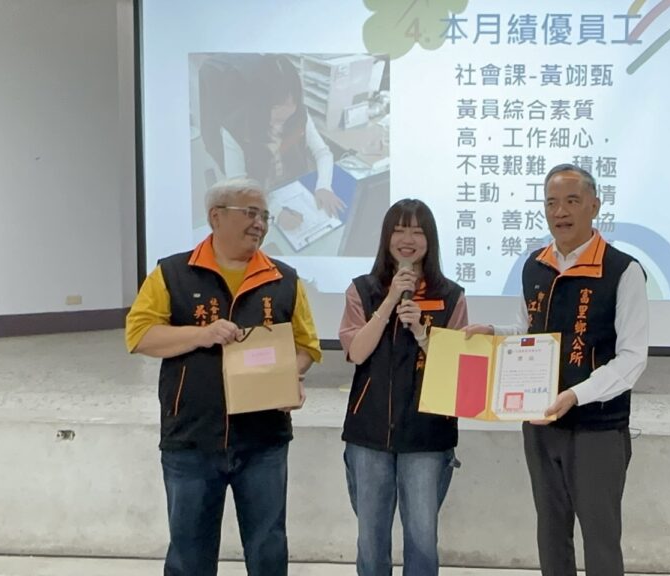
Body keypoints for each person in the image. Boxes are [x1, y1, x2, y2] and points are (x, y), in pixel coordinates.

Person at [125, 178, 322, 576]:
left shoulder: (284, 278)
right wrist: (201, 334)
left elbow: (306, 346)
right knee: (189, 554)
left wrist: (290, 377)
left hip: (263, 440)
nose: (260, 224)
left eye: (264, 216)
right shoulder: (172, 273)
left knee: (268, 549)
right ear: (216, 216)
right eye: (250, 213)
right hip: (191, 437)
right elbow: (140, 335)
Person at [464, 164, 649, 576]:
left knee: (600, 538)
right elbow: (529, 331)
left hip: (597, 429)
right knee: (551, 532)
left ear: (594, 206)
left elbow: (633, 357)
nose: (560, 212)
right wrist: (493, 334)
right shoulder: (535, 265)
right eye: (551, 202)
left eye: (571, 201)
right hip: (540, 423)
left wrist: (576, 395)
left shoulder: (623, 270)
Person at [338, 199, 468, 576]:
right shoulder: (362, 290)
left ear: (430, 240)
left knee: (422, 539)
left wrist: (423, 333)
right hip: (369, 432)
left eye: (417, 231)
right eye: (398, 230)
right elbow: (357, 352)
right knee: (371, 540)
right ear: (386, 238)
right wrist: (390, 300)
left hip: (428, 433)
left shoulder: (450, 295)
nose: (407, 239)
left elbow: (459, 366)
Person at [200, 53, 346, 226]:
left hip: (294, 191)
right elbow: (238, 187)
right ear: (259, 103)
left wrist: (323, 186)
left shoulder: (299, 115)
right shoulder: (236, 130)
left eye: (291, 104)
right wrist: (276, 212)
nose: (284, 113)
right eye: (276, 106)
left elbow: (323, 153)